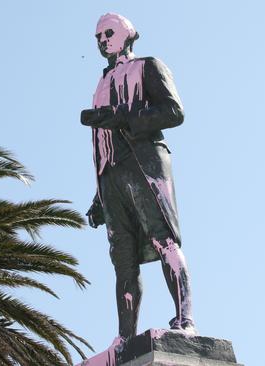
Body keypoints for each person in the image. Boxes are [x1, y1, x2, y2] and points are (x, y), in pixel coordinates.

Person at [80, 13, 196, 342]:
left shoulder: (148, 66)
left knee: (164, 241)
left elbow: (174, 111)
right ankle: (125, 338)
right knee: (123, 261)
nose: (102, 40)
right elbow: (99, 143)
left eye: (108, 32)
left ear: (128, 33)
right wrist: (98, 195)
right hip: (111, 176)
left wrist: (122, 117)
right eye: (98, 36)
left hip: (145, 166)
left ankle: (185, 320)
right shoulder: (100, 85)